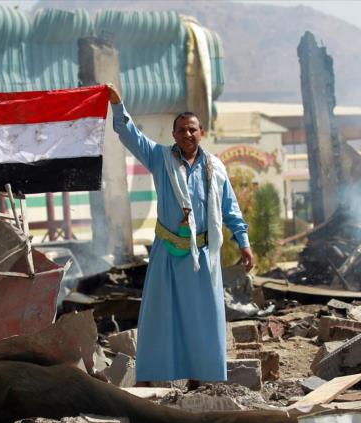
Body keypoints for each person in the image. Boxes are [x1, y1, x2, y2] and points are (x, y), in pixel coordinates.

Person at [107, 85, 254, 388]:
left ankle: (200, 378)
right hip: (168, 253)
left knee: (204, 319)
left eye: (193, 130)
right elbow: (129, 135)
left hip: (202, 255)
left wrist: (244, 242)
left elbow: (230, 209)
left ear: (202, 133)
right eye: (181, 130)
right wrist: (117, 103)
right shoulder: (160, 158)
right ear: (173, 135)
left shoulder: (216, 168)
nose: (187, 135)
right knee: (160, 314)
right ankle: (152, 378)